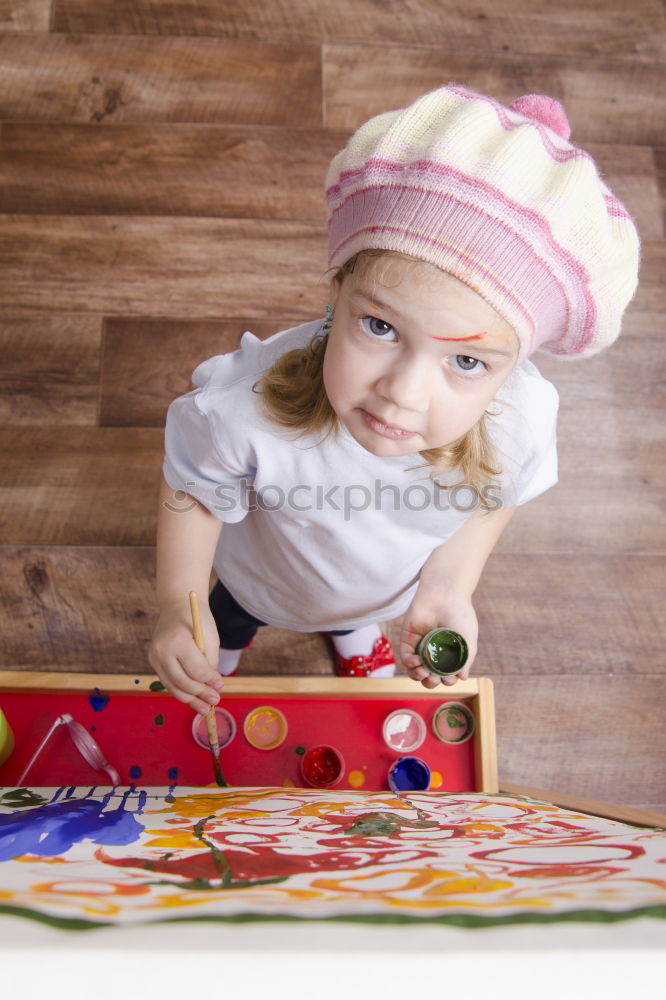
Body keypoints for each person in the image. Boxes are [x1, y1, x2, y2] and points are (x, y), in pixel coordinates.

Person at [148, 84, 639, 715]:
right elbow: (191, 492)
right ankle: (229, 634)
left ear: (513, 367)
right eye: (380, 327)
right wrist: (173, 605)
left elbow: (499, 496)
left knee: (353, 611)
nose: (402, 394)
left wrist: (448, 585)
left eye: (466, 361)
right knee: (234, 614)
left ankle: (351, 628)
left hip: (382, 590)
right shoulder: (242, 410)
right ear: (338, 284)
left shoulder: (520, 422)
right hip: (262, 579)